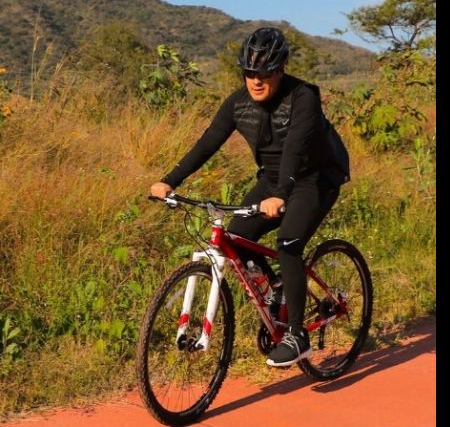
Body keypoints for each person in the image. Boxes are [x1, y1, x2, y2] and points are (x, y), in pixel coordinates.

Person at [149, 27, 350, 367]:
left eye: (265, 73)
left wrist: (281, 196)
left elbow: (295, 149)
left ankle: (297, 335)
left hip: (314, 178)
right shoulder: (238, 104)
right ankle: (277, 293)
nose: (255, 81)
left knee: (288, 243)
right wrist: (169, 180)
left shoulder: (303, 97)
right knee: (238, 239)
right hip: (272, 180)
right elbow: (208, 142)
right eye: (248, 73)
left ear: (280, 69)